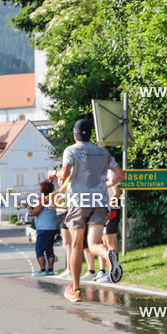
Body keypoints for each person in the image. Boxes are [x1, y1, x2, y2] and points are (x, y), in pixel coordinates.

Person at [59, 119, 125, 302]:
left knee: (76, 245)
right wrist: (106, 185)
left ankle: (76, 289)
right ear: (91, 134)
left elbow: (64, 173)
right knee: (94, 243)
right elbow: (121, 175)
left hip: (79, 202)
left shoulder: (71, 150)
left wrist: (57, 175)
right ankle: (108, 256)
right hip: (100, 201)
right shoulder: (103, 152)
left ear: (74, 134)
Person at [24, 180, 61, 276]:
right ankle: (50, 270)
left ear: (43, 189)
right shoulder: (53, 198)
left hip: (44, 228)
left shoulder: (44, 199)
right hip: (53, 227)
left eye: (40, 188)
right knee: (49, 249)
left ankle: (43, 270)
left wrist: (28, 206)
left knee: (39, 250)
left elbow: (34, 212)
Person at [96, 179, 123, 283]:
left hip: (111, 210)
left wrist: (109, 207)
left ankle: (114, 272)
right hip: (102, 210)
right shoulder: (100, 171)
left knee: (110, 241)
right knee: (104, 241)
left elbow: (117, 192)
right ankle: (108, 271)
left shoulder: (110, 171)